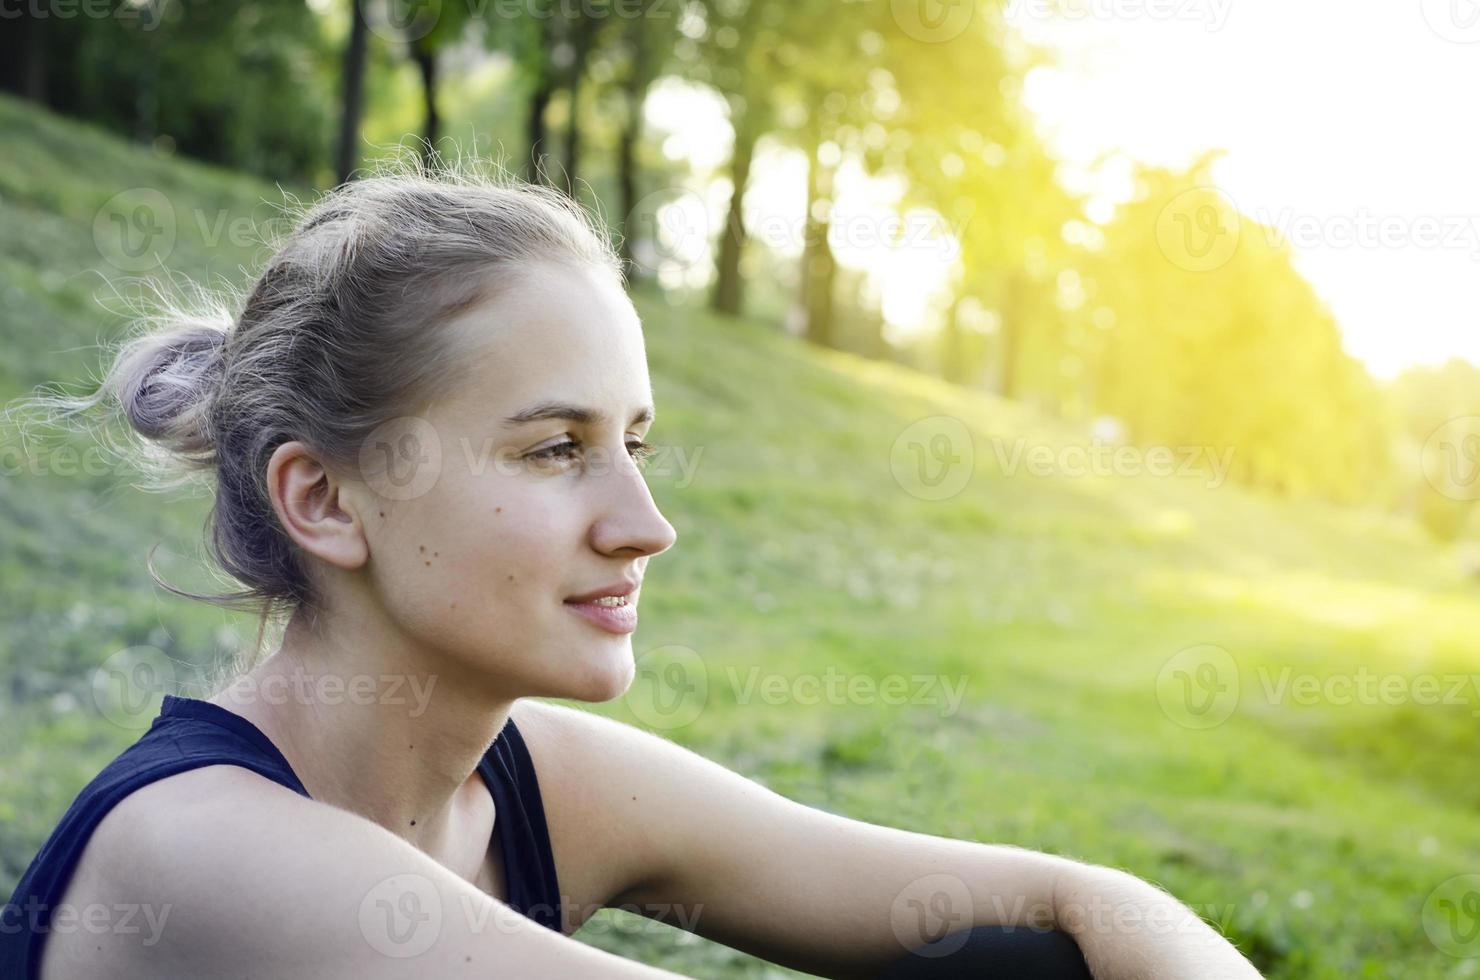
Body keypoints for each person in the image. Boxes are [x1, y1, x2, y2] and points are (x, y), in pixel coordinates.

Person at [0, 159, 1263, 979]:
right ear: (328, 498)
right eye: (555, 449)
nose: (646, 523)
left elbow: (1079, 906)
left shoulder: (537, 779)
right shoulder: (201, 849)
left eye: (634, 443)